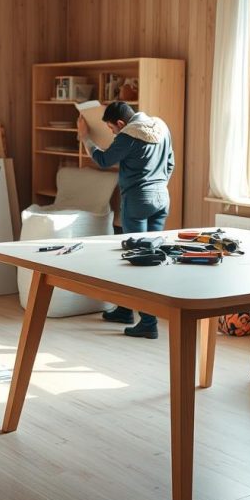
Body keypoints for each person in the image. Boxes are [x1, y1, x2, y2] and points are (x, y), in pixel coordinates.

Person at [77, 101, 174, 339]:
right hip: (162, 198)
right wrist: (157, 186)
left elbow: (102, 160)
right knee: (152, 258)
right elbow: (170, 162)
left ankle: (148, 322)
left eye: (111, 128)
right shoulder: (161, 126)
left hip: (138, 201)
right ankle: (125, 308)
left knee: (138, 261)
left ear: (121, 123)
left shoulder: (129, 135)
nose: (112, 132)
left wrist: (85, 138)